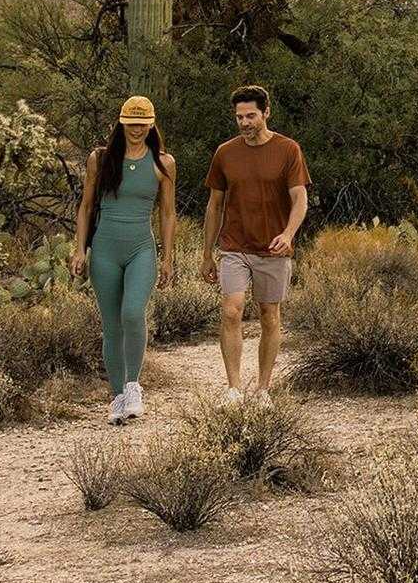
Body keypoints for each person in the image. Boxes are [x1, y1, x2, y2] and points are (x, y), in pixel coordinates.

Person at [71, 95, 176, 425]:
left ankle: (133, 386)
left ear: (151, 124)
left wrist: (168, 258)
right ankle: (117, 396)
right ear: (121, 122)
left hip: (141, 248)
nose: (136, 129)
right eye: (131, 122)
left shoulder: (163, 163)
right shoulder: (100, 159)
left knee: (133, 312)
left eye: (143, 123)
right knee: (111, 325)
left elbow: (168, 214)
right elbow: (86, 207)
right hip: (104, 249)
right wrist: (79, 250)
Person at [202, 84, 310, 406]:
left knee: (269, 314)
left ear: (266, 112)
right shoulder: (225, 153)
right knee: (231, 311)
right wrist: (207, 253)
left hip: (273, 249)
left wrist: (288, 234)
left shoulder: (288, 150)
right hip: (235, 246)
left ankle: (263, 389)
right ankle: (233, 389)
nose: (245, 123)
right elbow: (214, 206)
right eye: (239, 117)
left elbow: (299, 200)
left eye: (251, 116)